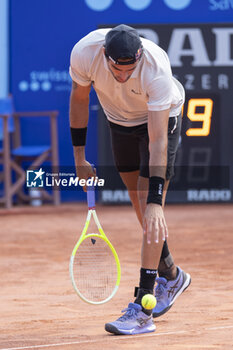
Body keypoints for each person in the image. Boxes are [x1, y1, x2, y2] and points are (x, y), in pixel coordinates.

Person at [69, 24, 191, 335]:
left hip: (160, 120)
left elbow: (158, 141)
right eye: (116, 69)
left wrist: (156, 200)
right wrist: (79, 159)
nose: (123, 76)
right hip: (118, 121)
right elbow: (80, 99)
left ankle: (143, 309)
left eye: (129, 69)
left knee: (148, 204)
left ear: (138, 58)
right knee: (136, 201)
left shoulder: (156, 68)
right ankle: (173, 275)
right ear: (104, 56)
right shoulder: (85, 52)